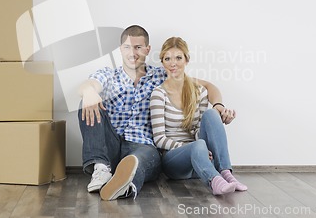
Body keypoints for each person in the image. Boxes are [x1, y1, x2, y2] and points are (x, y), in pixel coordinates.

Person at [78, 25, 223, 201]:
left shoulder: (162, 75)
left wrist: (218, 106)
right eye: (127, 47)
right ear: (120, 50)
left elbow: (207, 86)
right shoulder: (109, 75)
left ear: (147, 50)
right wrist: (89, 92)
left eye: (138, 47)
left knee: (139, 162)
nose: (133, 53)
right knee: (85, 103)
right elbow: (88, 85)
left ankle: (126, 186)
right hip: (110, 144)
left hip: (143, 145)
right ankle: (100, 168)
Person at [150, 37, 247, 195]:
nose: (173, 63)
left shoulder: (199, 91)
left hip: (202, 160)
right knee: (198, 145)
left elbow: (197, 128)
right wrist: (192, 147)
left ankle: (227, 174)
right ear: (162, 62)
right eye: (167, 58)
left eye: (178, 57)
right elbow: (159, 139)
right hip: (175, 163)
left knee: (211, 113)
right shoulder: (158, 94)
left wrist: (201, 149)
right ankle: (213, 180)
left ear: (186, 60)